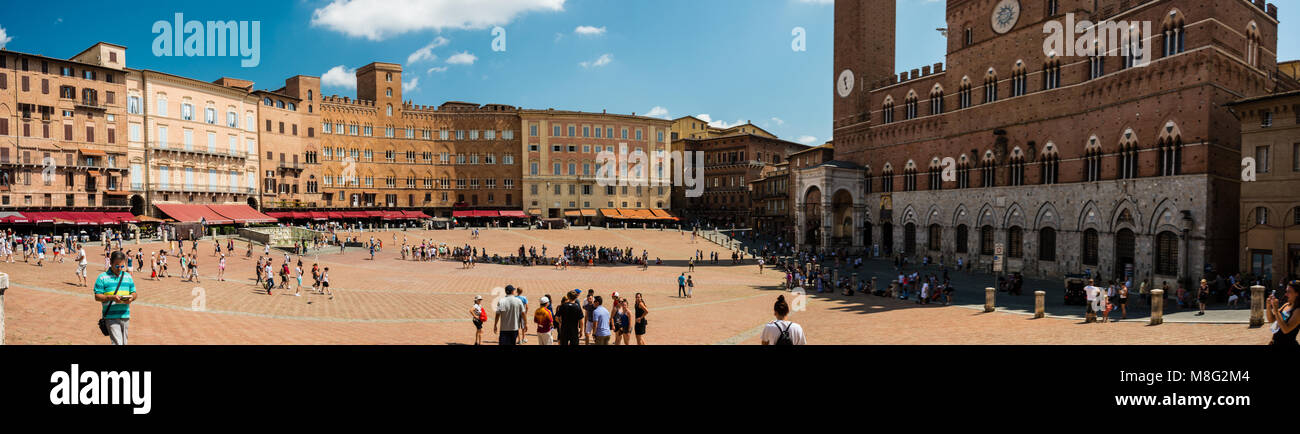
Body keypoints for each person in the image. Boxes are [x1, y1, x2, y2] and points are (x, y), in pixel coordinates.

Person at [93, 251, 137, 345]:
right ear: (111, 263)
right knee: (118, 343)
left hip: (125, 315)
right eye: (117, 266)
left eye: (122, 266)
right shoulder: (102, 277)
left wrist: (131, 298)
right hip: (111, 316)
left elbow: (134, 293)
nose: (120, 269)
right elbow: (97, 296)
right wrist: (111, 297)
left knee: (124, 343)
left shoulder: (128, 276)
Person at [1265, 281, 1299, 347]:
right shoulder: (1286, 305)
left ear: (1297, 293)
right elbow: (1271, 319)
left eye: (1289, 292)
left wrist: (1276, 310)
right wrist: (1268, 306)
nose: (1286, 294)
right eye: (1286, 291)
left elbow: (1286, 330)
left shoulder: (1298, 310)